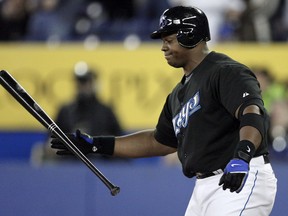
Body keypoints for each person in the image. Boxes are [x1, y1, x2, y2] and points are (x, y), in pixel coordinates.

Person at [50, 6, 277, 215]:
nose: (163, 46)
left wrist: (242, 155)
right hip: (205, 187)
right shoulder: (178, 94)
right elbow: (158, 142)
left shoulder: (225, 71)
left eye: (169, 39)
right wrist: (94, 144)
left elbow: (252, 112)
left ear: (190, 36)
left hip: (240, 176)